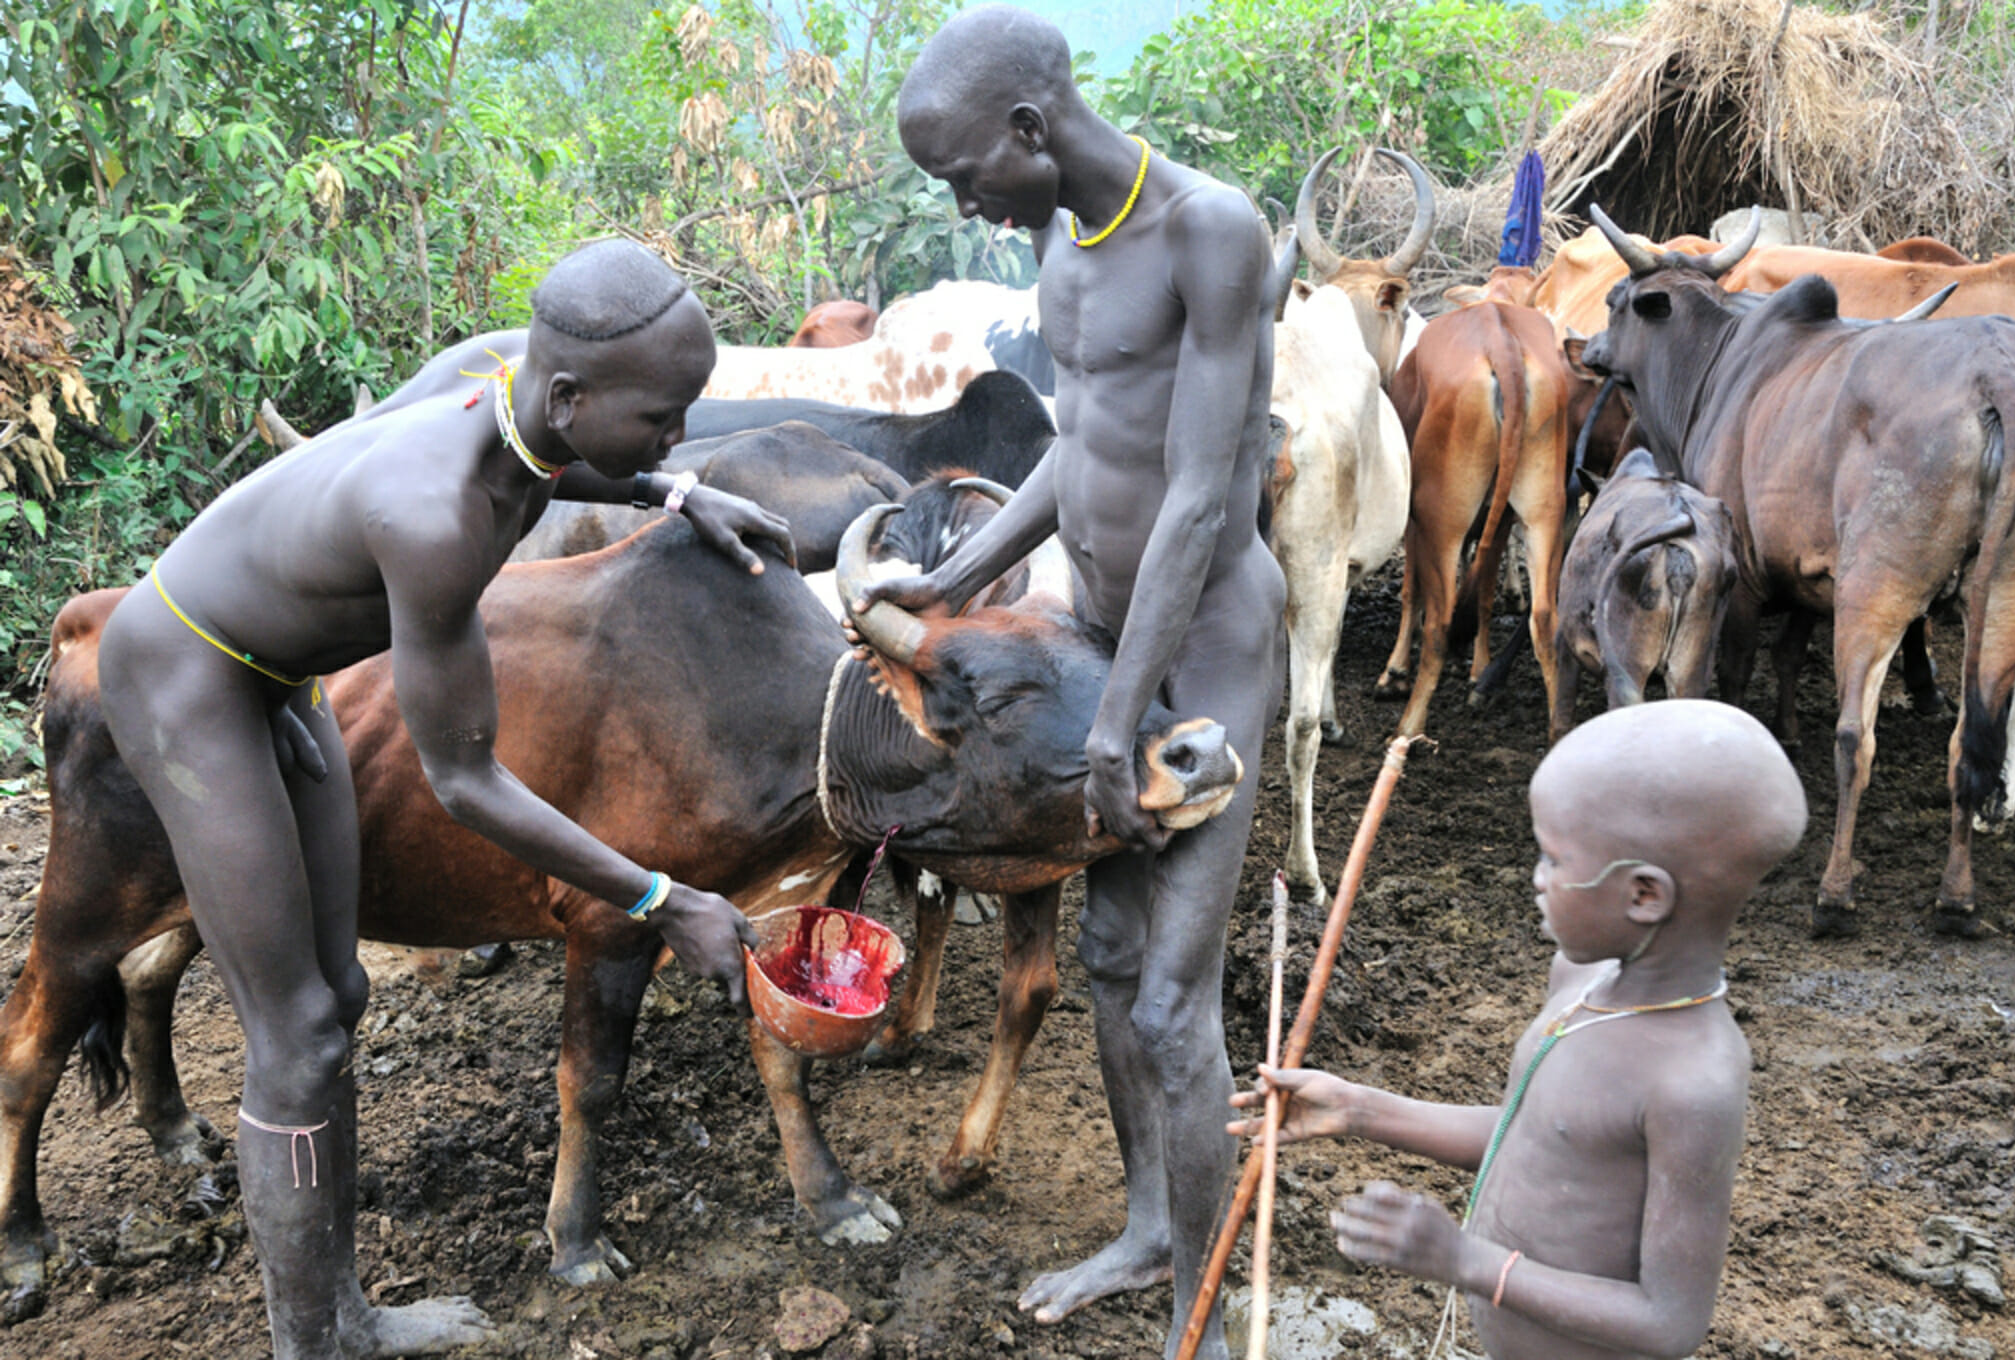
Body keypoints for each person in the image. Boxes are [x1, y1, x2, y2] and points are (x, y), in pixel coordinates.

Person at [96, 238, 794, 1360]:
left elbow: (575, 456)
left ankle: (347, 1316)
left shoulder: (508, 375)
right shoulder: (437, 518)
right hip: (185, 676)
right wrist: (667, 898)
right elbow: (465, 778)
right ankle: (309, 1343)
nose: (677, 435)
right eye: (664, 421)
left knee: (340, 1001)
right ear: (568, 393)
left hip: (280, 673)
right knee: (295, 1033)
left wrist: (677, 489)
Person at [861, 7, 1287, 1355]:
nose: (962, 200)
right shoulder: (1056, 239)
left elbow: (1205, 494)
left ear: (1032, 131)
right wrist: (957, 575)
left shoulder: (1211, 232)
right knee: (1106, 956)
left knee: (1173, 995)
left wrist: (1118, 708)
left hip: (1206, 643)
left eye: (965, 171)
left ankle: (1201, 1319)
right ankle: (1155, 1225)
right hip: (1106, 629)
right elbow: (1080, 445)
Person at [1229, 699, 1807, 1360]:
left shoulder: (1691, 1081)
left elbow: (1669, 1320)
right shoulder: (1579, 982)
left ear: (1644, 896)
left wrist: (1470, 1262)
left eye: (1553, 859)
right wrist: (1359, 1108)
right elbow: (1535, 1140)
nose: (1535, 879)